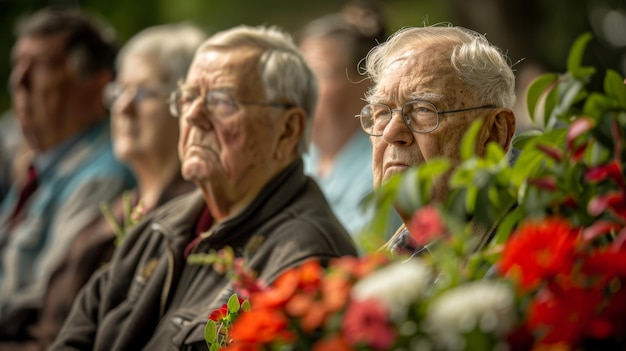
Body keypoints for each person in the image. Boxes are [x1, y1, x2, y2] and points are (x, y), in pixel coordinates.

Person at [51, 24, 358, 350]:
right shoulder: (159, 227)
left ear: (286, 131)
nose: (193, 115)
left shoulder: (304, 263)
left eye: (221, 102)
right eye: (188, 97)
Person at [1, 23, 205, 349]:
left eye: (143, 92)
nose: (123, 107)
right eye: (119, 92)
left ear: (188, 104)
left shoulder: (195, 218)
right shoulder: (125, 206)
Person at [0, 7, 135, 340]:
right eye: (18, 63)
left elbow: (40, 304)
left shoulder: (105, 176)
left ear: (99, 86)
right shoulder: (47, 163)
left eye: (42, 65)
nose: (18, 81)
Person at [354, 25, 516, 254]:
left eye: (423, 110)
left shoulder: (519, 263)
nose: (391, 133)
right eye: (382, 113)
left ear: (494, 135)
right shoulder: (381, 265)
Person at [298, 0, 392, 238]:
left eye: (318, 73)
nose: (300, 86)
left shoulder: (386, 163)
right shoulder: (299, 158)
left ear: (368, 81)